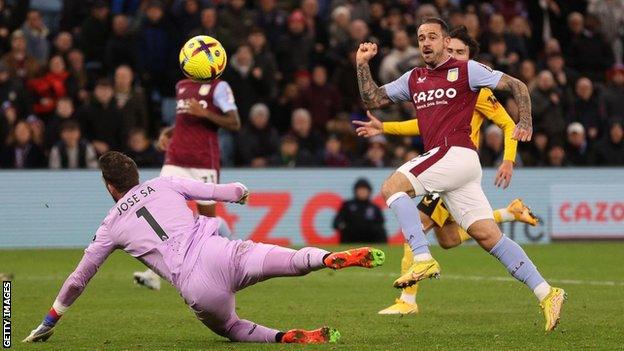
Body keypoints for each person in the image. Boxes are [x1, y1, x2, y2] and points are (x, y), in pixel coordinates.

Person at [22, 151, 386, 344]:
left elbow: (79, 278)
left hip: (197, 286)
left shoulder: (110, 224)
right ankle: (326, 258)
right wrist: (242, 192)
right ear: (135, 174)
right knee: (291, 260)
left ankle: (282, 337)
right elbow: (225, 192)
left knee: (231, 327)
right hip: (223, 252)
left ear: (109, 186)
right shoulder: (165, 185)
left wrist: (49, 320)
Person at [354, 17, 565, 331]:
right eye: (421, 37)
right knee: (486, 235)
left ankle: (422, 258)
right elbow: (372, 99)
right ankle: (548, 293)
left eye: (432, 37)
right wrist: (361, 64)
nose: (426, 43)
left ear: (444, 41)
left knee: (391, 187)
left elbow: (517, 85)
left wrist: (526, 122)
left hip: (456, 152)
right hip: (457, 167)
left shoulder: (467, 70)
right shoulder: (413, 79)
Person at [133, 66, 241, 290]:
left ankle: (229, 259)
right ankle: (155, 273)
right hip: (175, 159)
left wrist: (206, 113)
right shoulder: (182, 86)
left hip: (203, 160)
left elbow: (235, 123)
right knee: (159, 214)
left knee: (208, 222)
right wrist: (170, 131)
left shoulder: (219, 87)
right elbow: (186, 122)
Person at [333, 178, 386, 243]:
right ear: (355, 191)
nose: (362, 192)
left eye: (364, 190)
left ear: (369, 191)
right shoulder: (347, 205)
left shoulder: (374, 208)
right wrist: (343, 227)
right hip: (351, 239)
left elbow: (381, 223)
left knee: (381, 231)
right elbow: (336, 222)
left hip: (370, 239)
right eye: (360, 190)